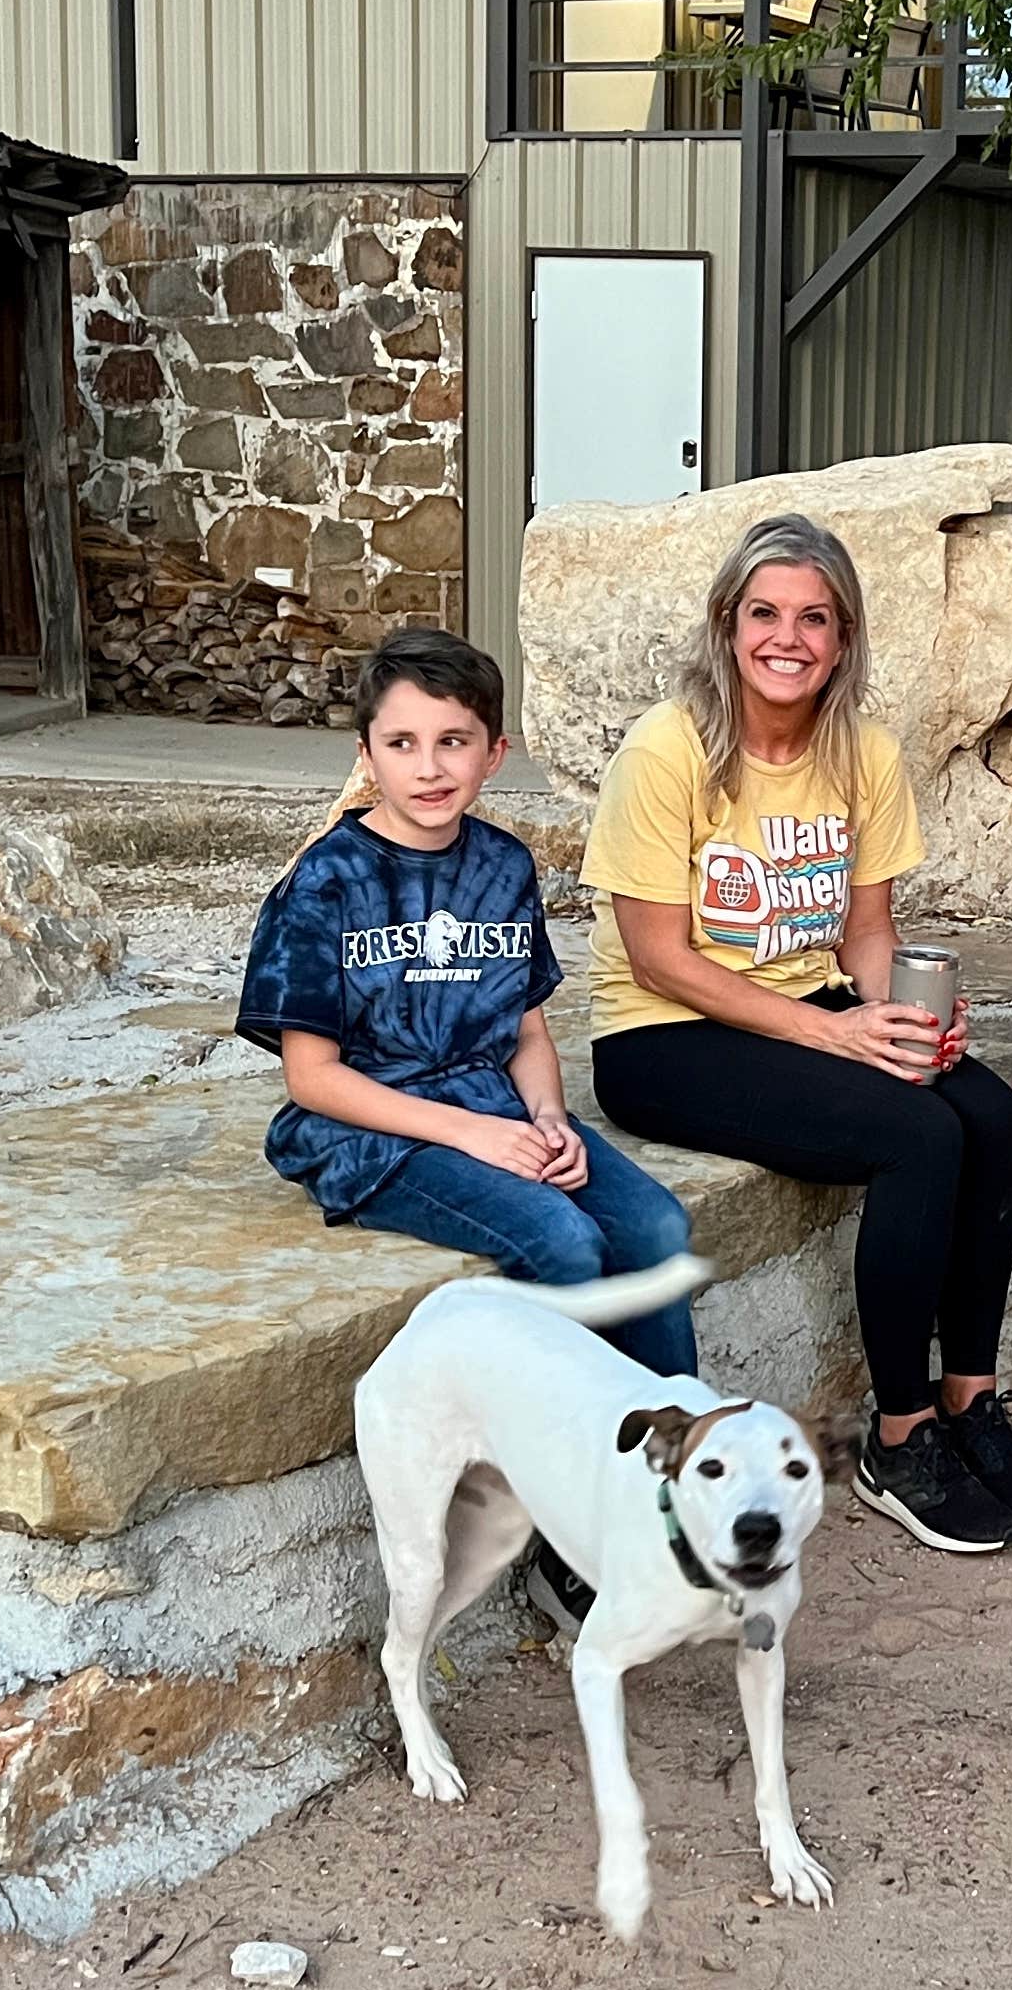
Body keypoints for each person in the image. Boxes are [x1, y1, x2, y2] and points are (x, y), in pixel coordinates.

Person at [584, 512, 1012, 1558]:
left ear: (843, 638)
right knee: (917, 1133)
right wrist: (837, 1037)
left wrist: (911, 1016)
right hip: (663, 1034)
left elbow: (868, 937)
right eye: (764, 613)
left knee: (979, 1105)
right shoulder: (668, 748)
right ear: (727, 624)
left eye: (814, 617)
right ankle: (899, 1434)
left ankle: (970, 1398)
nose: (786, 638)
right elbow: (659, 957)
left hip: (803, 1004)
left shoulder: (861, 755)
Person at [240, 626, 700, 1621]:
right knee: (562, 1243)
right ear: (365, 754)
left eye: (454, 741)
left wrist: (545, 1115)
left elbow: (527, 1032)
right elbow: (312, 1079)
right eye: (401, 743)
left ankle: (669, 1486)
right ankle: (566, 1525)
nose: (428, 766)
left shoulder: (503, 865)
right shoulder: (326, 882)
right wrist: (473, 1138)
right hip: (378, 1127)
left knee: (656, 1229)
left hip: (496, 1105)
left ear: (495, 752)